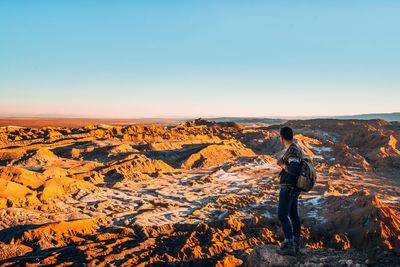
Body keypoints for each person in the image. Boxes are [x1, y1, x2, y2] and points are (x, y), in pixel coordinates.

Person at [276, 126, 303, 255]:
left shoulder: (292, 151)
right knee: (293, 215)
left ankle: (289, 244)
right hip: (294, 188)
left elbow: (294, 169)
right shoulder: (295, 148)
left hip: (288, 187)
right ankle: (296, 242)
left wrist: (282, 165)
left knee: (282, 214)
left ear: (282, 137)